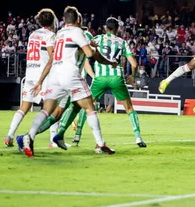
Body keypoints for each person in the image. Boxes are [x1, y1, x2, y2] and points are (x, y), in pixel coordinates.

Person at [20, 6, 117, 157]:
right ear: (78, 20)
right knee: (90, 107)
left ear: (64, 20)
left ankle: (30, 136)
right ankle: (100, 143)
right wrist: (104, 58)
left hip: (54, 74)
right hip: (69, 72)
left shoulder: (58, 34)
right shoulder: (77, 32)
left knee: (47, 110)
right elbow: (90, 54)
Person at [54, 17, 146, 148]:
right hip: (116, 78)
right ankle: (138, 137)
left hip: (100, 78)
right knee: (129, 108)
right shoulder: (122, 42)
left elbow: (83, 49)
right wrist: (132, 76)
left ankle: (72, 135)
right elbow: (134, 64)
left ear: (105, 28)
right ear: (118, 29)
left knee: (84, 106)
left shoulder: (98, 39)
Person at [4, 9, 56, 147]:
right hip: (42, 75)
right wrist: (41, 81)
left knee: (24, 107)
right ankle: (53, 140)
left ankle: (9, 135)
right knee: (51, 108)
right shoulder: (50, 35)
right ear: (52, 21)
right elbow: (52, 59)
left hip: (30, 72)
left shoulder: (33, 34)